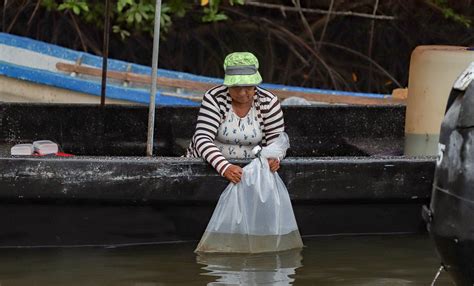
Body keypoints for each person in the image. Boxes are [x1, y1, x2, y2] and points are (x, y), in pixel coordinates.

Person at [186, 52, 285, 184]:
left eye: (248, 87)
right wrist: (225, 167)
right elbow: (202, 138)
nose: (242, 93)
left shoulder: (269, 102)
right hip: (204, 170)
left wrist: (274, 158)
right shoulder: (214, 98)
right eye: (236, 87)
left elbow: (276, 143)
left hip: (250, 175)